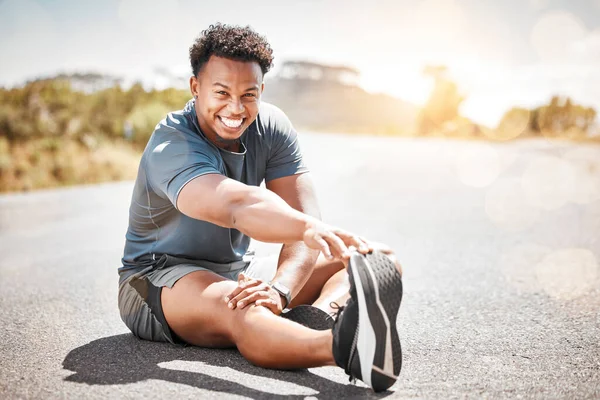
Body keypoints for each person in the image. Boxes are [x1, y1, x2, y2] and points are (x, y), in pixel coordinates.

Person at [117, 23, 404, 392]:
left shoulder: (271, 126)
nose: (235, 108)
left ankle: (319, 317)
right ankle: (341, 347)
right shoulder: (172, 145)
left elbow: (305, 218)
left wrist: (280, 290)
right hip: (156, 279)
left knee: (377, 259)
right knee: (240, 309)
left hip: (236, 268)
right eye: (221, 92)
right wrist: (305, 228)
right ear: (195, 87)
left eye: (248, 94)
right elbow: (236, 205)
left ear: (262, 91)